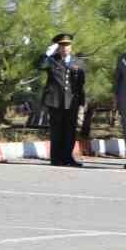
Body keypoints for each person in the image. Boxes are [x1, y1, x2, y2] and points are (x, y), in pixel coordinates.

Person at [40, 34, 85, 167]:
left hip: (72, 102)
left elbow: (81, 84)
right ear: (57, 48)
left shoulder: (78, 62)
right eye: (61, 45)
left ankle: (68, 158)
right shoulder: (51, 60)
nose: (64, 48)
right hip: (55, 101)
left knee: (70, 131)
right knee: (56, 131)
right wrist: (47, 54)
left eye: (67, 45)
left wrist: (82, 101)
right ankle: (56, 159)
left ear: (71, 47)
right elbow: (39, 66)